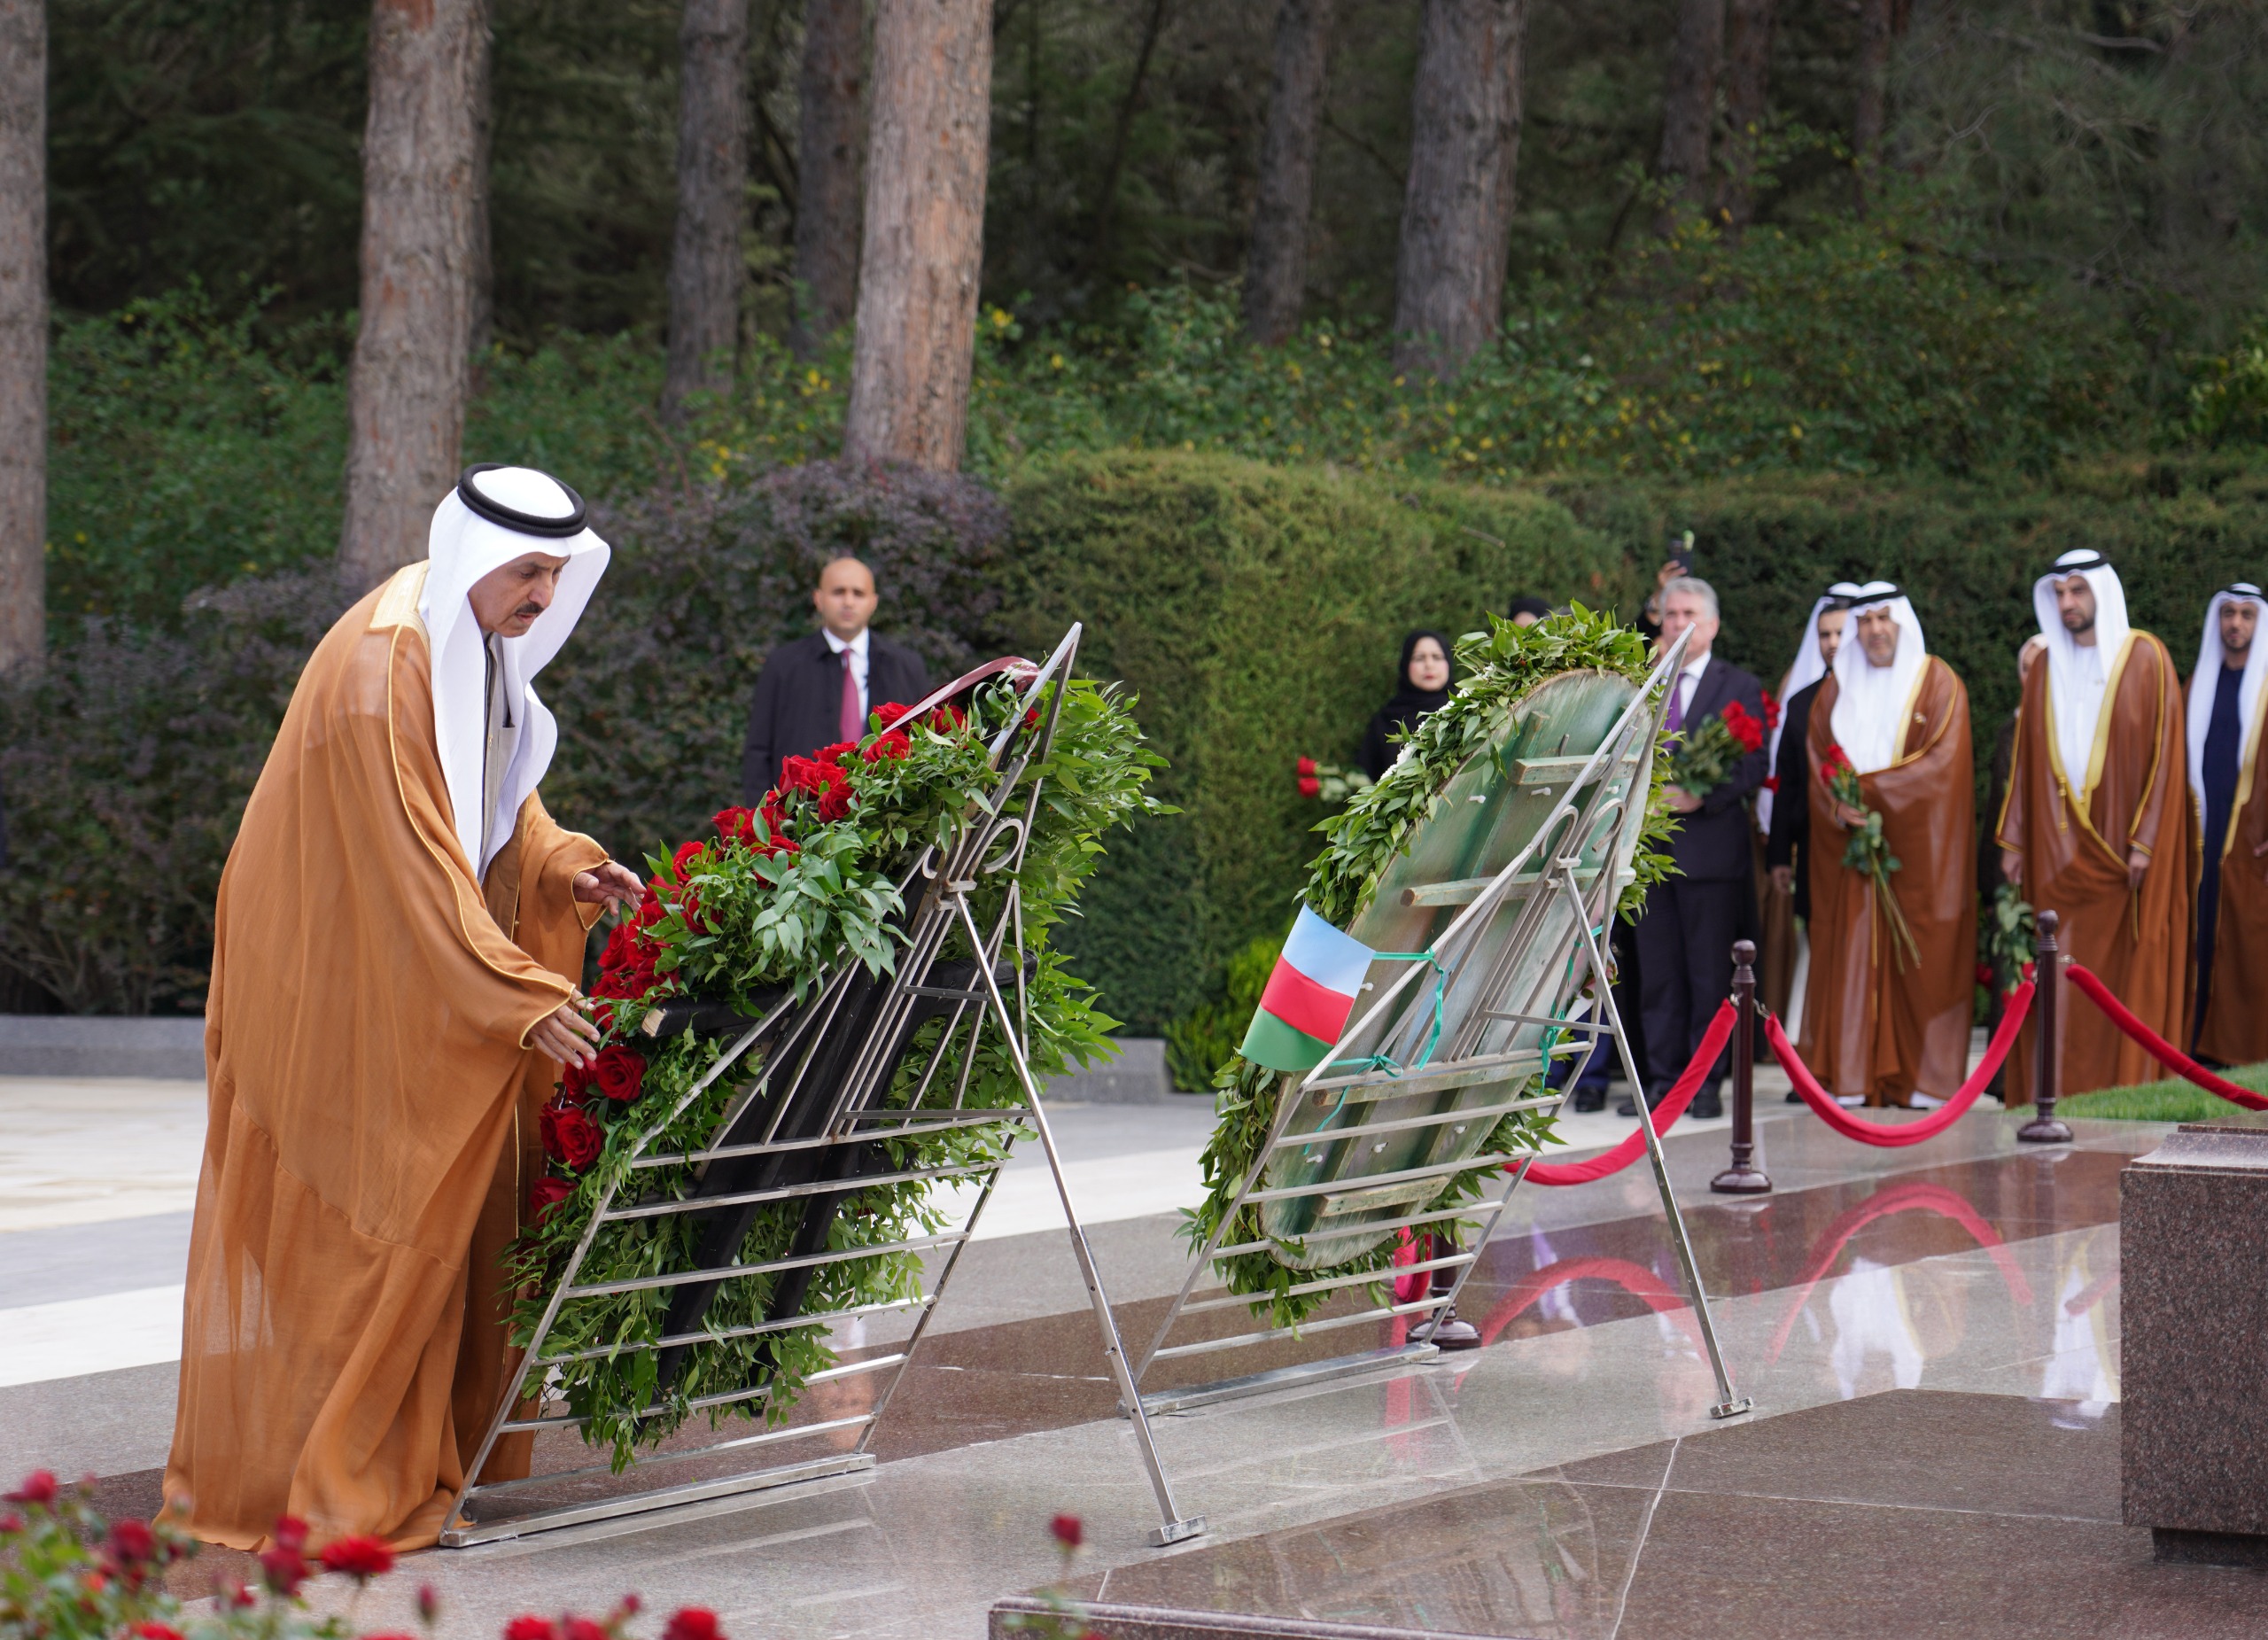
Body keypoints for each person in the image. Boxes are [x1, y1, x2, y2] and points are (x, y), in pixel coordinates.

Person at [167, 466, 644, 1551]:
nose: (540, 594)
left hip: (404, 961)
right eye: (526, 571)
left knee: (434, 1209)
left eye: (555, 575)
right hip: (331, 974)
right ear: (478, 559)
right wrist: (515, 988)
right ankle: (332, 1478)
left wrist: (564, 866)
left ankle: (404, 1453)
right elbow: (410, 857)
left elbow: (488, 799)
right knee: (370, 1213)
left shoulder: (465, 643)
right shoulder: (384, 667)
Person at [1996, 549, 2191, 1099]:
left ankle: (2121, 1082)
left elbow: (2165, 756)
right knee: (2060, 972)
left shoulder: (2146, 658)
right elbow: (2024, 767)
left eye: (2078, 591)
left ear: (2101, 594)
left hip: (2120, 856)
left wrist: (2145, 842)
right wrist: (2013, 844)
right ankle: (2058, 1088)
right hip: (2056, 855)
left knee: (2119, 980)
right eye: (2058, 594)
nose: (2067, 604)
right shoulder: (2042, 669)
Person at [1796, 585, 1977, 1108]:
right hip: (1849, 859)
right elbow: (1817, 757)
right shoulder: (1836, 686)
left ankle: (1922, 1079)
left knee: (1921, 960)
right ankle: (1850, 1074)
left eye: (1884, 618)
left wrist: (1867, 793)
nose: (1875, 630)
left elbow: (1943, 766)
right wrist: (1838, 804)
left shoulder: (1939, 682)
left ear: (1902, 622)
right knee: (1849, 954)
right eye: (1866, 620)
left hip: (1918, 858)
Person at [1630, 578, 1768, 1121]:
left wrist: (1700, 796)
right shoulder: (1641, 682)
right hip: (1648, 855)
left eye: (1688, 612)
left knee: (1709, 975)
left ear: (1711, 624)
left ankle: (1705, 1083)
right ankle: (1663, 1082)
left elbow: (1755, 763)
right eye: (1668, 613)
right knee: (1657, 975)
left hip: (1711, 855)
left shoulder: (1739, 685)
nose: (1676, 621)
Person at [741, 556, 931, 801]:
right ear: (818, 599)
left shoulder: (906, 667)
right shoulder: (783, 666)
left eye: (858, 593)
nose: (848, 602)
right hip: (799, 816)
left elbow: (923, 746)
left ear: (873, 602)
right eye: (838, 592)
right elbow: (758, 751)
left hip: (887, 813)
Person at [1761, 585, 1858, 1031]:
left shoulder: (1884, 702)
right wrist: (1780, 855)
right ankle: (1816, 1052)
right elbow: (1789, 783)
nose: (1832, 643)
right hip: (1816, 850)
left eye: (1840, 633)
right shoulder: (1802, 703)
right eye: (1824, 635)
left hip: (1870, 852)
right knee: (1818, 947)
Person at [2188, 583, 2268, 1061]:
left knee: (2246, 944)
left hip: (2252, 842)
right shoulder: (2194, 687)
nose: (2235, 624)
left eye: (2246, 615)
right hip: (2200, 836)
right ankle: (2196, 1046)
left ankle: (2244, 1050)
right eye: (2227, 614)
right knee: (2198, 935)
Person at [1359, 630, 1454, 779]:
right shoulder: (1386, 721)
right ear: (1406, 664)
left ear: (1448, 661)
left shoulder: (1464, 710)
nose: (1429, 665)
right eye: (1419, 658)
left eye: (1437, 657)